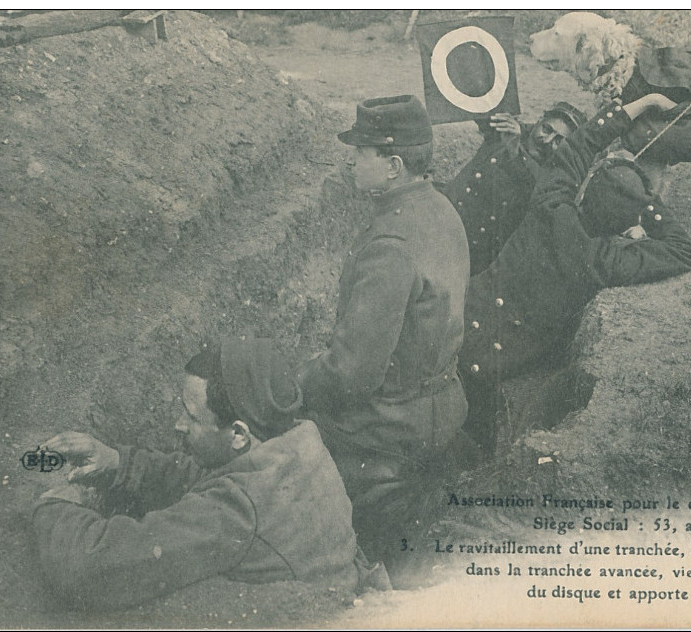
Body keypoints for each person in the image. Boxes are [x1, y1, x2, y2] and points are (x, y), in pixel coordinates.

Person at [32, 339, 386, 611]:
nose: (178, 425)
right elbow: (210, 473)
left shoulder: (234, 511)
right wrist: (120, 462)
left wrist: (56, 507)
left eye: (191, 416)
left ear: (238, 434)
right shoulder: (299, 440)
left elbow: (94, 570)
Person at [459, 93, 691, 453]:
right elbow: (684, 250)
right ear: (627, 225)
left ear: (584, 189)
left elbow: (579, 146)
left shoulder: (551, 204)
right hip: (504, 363)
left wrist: (641, 103)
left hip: (462, 322)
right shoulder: (605, 262)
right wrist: (644, 198)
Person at [295, 95, 470, 566]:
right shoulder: (438, 207)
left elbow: (353, 375)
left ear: (393, 165)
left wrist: (298, 383)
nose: (352, 162)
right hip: (443, 409)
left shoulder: (389, 243)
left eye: (360, 153)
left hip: (389, 430)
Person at [441, 102, 587, 276]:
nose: (547, 141)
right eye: (547, 129)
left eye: (558, 141)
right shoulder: (511, 132)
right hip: (443, 220)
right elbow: (480, 102)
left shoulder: (557, 177)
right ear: (539, 120)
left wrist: (515, 153)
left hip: (473, 256)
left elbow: (533, 184)